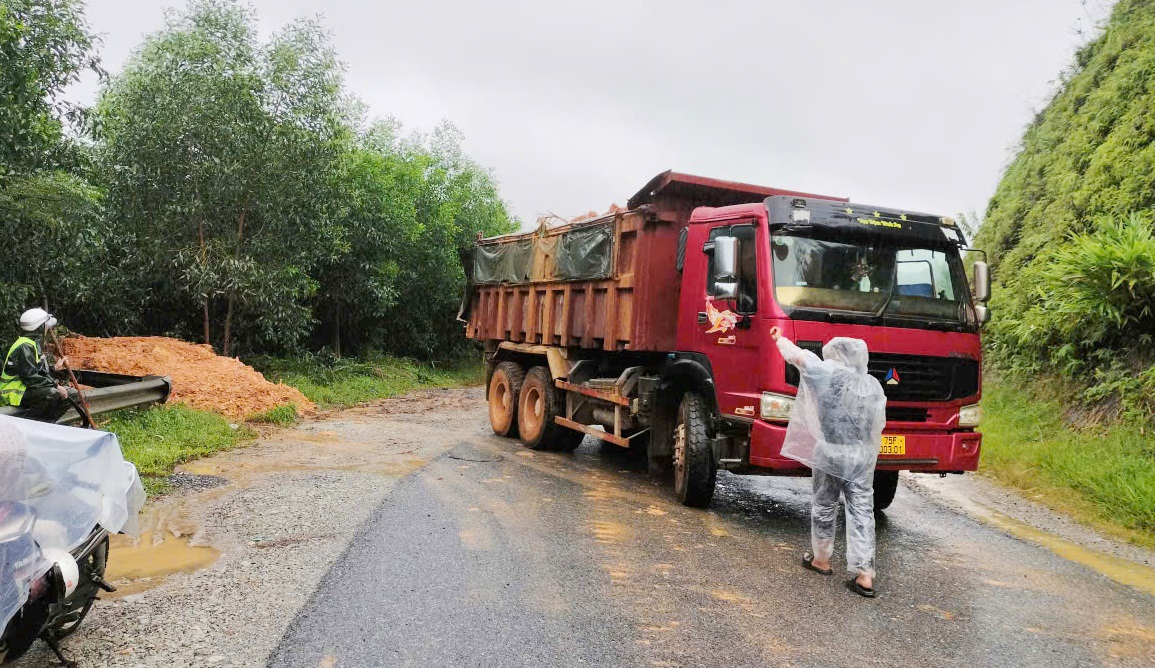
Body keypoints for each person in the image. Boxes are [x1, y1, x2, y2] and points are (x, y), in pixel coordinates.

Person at [769, 326, 887, 598]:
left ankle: (821, 559)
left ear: (835, 354)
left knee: (824, 505)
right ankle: (864, 574)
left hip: (830, 452)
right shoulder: (872, 386)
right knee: (862, 512)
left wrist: (779, 338)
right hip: (861, 457)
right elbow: (877, 425)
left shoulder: (826, 373)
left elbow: (797, 357)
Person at [0, 308, 78, 423]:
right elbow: (31, 377)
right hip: (14, 392)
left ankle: (46, 424)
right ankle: (28, 425)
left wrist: (55, 367)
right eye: (46, 326)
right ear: (40, 328)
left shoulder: (33, 344)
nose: (48, 328)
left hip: (27, 388)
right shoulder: (24, 346)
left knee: (72, 394)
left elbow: (38, 371)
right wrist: (56, 386)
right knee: (53, 394)